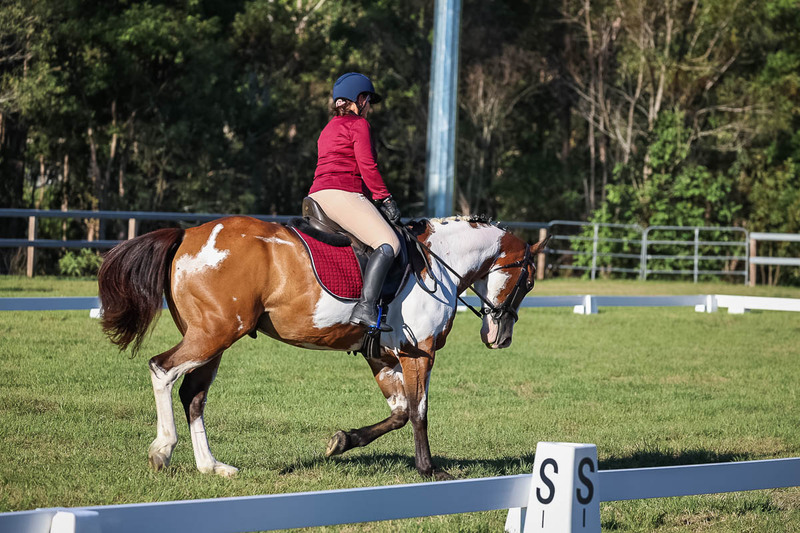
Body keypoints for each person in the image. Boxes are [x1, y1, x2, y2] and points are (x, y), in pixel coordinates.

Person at [308, 72, 401, 331]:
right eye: (368, 100)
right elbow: (368, 167)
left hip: (317, 194)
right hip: (342, 193)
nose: (369, 107)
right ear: (359, 99)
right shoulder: (358, 125)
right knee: (389, 243)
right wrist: (385, 198)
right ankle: (366, 307)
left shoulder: (328, 128)